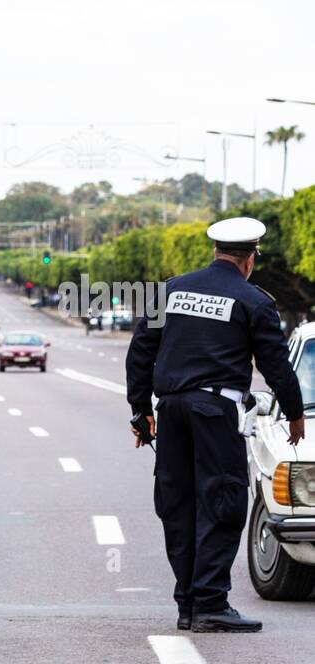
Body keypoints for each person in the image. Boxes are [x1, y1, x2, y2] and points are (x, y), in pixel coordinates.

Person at [127, 217, 305, 634]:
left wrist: (140, 410)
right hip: (215, 411)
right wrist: (295, 414)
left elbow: (140, 350)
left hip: (170, 410)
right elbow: (275, 365)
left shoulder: (169, 291)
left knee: (178, 504)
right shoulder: (253, 300)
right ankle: (210, 603)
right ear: (250, 259)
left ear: (215, 252)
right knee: (221, 502)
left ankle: (188, 604)